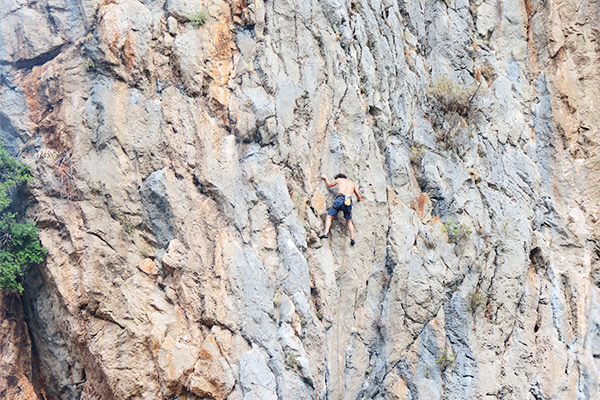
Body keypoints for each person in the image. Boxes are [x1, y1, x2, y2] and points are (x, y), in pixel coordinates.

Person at [319, 173, 363, 246]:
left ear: (339, 177)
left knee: (329, 216)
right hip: (348, 201)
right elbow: (358, 196)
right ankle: (352, 239)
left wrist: (326, 178)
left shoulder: (339, 180)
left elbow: (329, 185)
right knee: (349, 221)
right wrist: (358, 200)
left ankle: (325, 233)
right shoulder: (352, 184)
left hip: (340, 199)